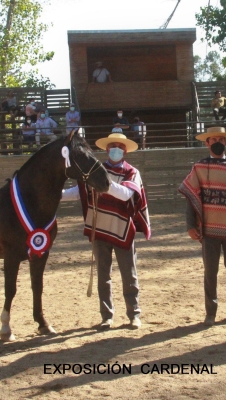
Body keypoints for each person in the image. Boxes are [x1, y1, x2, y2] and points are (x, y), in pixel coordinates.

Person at [60, 133, 150, 330]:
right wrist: (56, 195)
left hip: (122, 230)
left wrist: (103, 183)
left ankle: (134, 314)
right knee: (103, 275)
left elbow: (127, 195)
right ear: (107, 149)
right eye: (112, 146)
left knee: (129, 275)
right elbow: (78, 192)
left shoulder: (132, 172)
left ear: (125, 150)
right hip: (99, 228)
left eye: (119, 146)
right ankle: (106, 316)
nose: (116, 149)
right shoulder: (95, 170)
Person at [178, 126, 226, 327]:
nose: (218, 143)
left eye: (221, 139)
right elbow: (191, 197)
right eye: (213, 140)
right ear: (207, 143)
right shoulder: (199, 168)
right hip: (208, 229)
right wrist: (190, 225)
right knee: (210, 272)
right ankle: (210, 312)